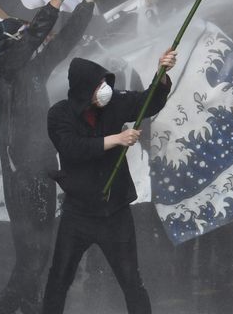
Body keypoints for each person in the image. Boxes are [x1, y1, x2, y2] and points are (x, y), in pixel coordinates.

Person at [0, 0, 97, 314]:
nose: (30, 39)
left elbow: (64, 42)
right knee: (31, 257)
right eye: (20, 34)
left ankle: (19, 306)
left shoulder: (33, 70)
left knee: (40, 254)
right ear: (9, 41)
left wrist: (88, 2)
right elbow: (33, 38)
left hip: (44, 167)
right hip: (22, 171)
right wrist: (56, 0)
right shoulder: (3, 68)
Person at [42, 50, 177, 314]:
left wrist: (162, 75)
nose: (104, 90)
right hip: (77, 213)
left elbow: (147, 103)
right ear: (82, 90)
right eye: (97, 86)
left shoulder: (114, 103)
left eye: (105, 83)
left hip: (114, 212)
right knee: (58, 280)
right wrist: (116, 139)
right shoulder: (59, 114)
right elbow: (71, 148)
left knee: (132, 282)